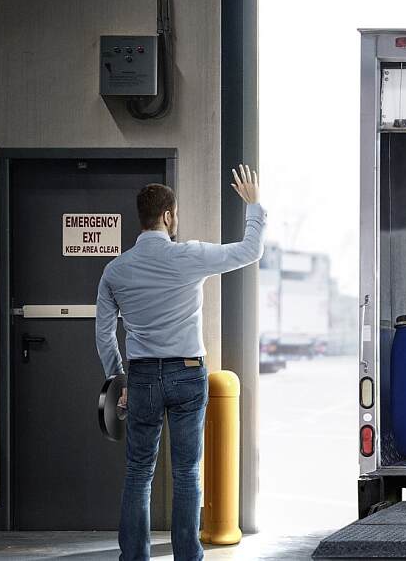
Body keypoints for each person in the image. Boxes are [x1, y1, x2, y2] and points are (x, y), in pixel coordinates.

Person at [95, 165, 265, 561]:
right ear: (168, 216)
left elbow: (103, 334)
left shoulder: (115, 270)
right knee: (187, 471)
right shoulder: (190, 255)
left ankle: (134, 558)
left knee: (139, 471)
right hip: (187, 373)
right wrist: (254, 206)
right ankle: (188, 556)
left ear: (142, 218)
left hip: (141, 377)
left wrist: (117, 378)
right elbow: (250, 251)